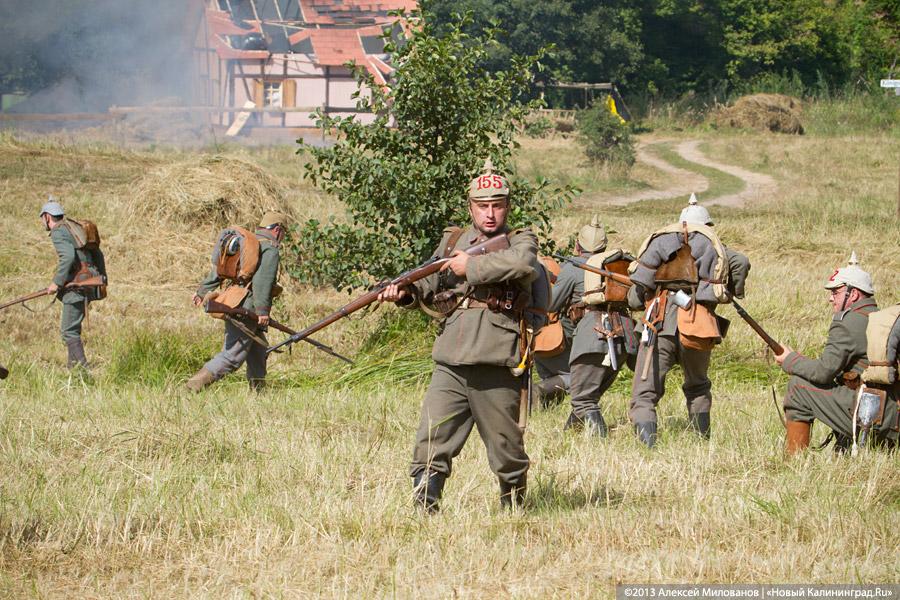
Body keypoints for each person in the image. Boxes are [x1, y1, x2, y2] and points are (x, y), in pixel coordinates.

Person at [378, 160, 542, 512]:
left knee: (506, 449)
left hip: (495, 358)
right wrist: (403, 292)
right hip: (450, 358)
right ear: (470, 207)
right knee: (431, 439)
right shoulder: (453, 240)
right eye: (482, 206)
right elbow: (428, 281)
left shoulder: (520, 240)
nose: (489, 214)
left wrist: (471, 267)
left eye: (497, 205)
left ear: (507, 207)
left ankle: (514, 508)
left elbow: (522, 265)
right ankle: (425, 509)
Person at [627, 194, 750, 447]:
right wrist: (732, 291)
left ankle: (647, 447)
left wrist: (637, 302)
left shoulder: (660, 241)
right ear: (707, 225)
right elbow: (741, 262)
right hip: (698, 322)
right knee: (698, 386)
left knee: (645, 391)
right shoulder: (714, 245)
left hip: (659, 321)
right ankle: (701, 442)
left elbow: (639, 285)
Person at [775, 253, 898, 454]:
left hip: (873, 415)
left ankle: (793, 461)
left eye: (836, 292)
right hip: (890, 412)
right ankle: (846, 449)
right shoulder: (878, 318)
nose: (830, 298)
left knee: (797, 387)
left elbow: (823, 372)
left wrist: (790, 360)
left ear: (854, 294)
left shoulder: (849, 322)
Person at [548, 215, 636, 436]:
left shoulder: (573, 268)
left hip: (593, 335)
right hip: (624, 336)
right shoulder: (618, 266)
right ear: (604, 247)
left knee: (583, 399)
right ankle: (569, 436)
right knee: (588, 396)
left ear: (578, 245)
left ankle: (601, 443)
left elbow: (551, 305)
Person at [187, 212, 288, 392]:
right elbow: (262, 282)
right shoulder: (269, 248)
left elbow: (219, 270)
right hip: (248, 306)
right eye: (284, 233)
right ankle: (193, 387)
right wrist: (262, 311)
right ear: (278, 230)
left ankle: (259, 393)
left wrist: (202, 291)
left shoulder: (249, 243)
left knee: (257, 350)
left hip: (234, 300)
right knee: (232, 357)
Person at [40, 198, 106, 369]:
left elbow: (68, 256)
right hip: (89, 281)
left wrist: (56, 283)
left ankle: (83, 370)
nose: (42, 222)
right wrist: (102, 278)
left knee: (68, 331)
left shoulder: (58, 231)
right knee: (72, 329)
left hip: (77, 284)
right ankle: (73, 369)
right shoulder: (72, 227)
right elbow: (98, 254)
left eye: (42, 218)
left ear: (47, 216)